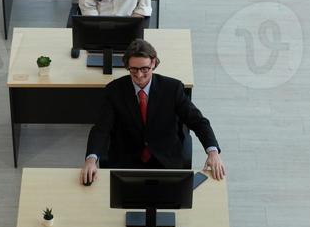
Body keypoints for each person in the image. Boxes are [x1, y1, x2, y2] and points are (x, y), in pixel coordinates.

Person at [80, 38, 226, 182]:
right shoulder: (114, 91)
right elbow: (101, 129)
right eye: (134, 69)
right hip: (127, 160)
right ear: (127, 66)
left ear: (154, 63)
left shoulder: (173, 89)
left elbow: (198, 121)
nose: (139, 75)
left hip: (166, 159)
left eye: (145, 69)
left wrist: (212, 152)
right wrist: (91, 159)